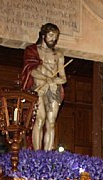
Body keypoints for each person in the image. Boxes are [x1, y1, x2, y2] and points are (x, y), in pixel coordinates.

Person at [20, 22, 67, 151]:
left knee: (51, 122)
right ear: (43, 35)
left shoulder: (59, 55)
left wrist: (53, 81)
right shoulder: (33, 51)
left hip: (53, 89)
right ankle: (37, 153)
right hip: (38, 88)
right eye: (51, 35)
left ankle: (48, 154)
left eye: (55, 36)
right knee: (39, 119)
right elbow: (31, 70)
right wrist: (47, 79)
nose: (53, 39)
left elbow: (63, 78)